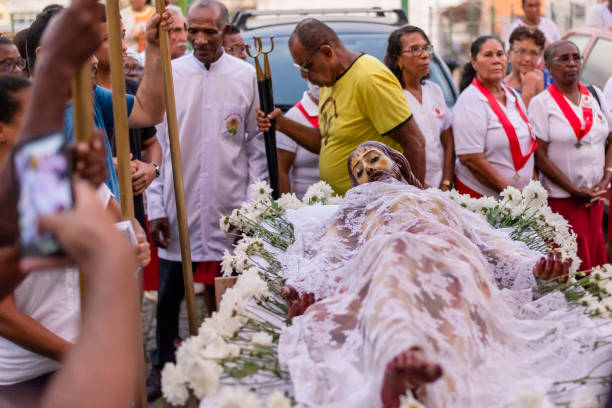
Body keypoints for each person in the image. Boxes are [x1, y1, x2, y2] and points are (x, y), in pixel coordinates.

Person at [277, 141, 573, 408]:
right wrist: (306, 285)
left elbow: (488, 242)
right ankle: (401, 358)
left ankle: (436, 378)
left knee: (457, 281)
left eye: (373, 158)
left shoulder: (438, 200)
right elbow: (330, 251)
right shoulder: (354, 208)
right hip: (388, 255)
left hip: (450, 255)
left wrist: (532, 267)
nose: (367, 168)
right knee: (396, 257)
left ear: (397, 163)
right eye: (359, 170)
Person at [0, 1, 142, 406]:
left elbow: (55, 252)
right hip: (25, 377)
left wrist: (124, 242)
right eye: (29, 121)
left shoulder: (49, 172)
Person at [145, 0, 267, 400]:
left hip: (228, 204)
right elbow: (158, 145)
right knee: (169, 297)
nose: (198, 39)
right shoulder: (171, 73)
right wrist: (158, 207)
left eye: (209, 32)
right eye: (191, 31)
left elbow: (254, 146)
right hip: (179, 201)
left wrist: (252, 208)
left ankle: (225, 363)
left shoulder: (245, 76)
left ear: (225, 31)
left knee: (227, 292)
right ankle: (162, 364)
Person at [257, 18, 426, 195]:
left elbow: (415, 144)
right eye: (299, 67)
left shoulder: (369, 79)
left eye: (307, 66)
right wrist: (282, 124)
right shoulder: (330, 81)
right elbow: (328, 141)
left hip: (375, 207)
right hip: (345, 207)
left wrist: (411, 203)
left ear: (327, 52)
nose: (303, 75)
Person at [26, 5, 169, 199]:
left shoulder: (91, 96)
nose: (94, 61)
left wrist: (154, 46)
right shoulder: (26, 119)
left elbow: (149, 112)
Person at [530, 41, 612, 271]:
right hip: (563, 201)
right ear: (548, 67)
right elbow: (540, 156)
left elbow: (610, 139)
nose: (572, 63)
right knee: (569, 265)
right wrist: (573, 190)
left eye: (576, 57)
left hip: (594, 199)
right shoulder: (541, 104)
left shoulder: (594, 95)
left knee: (594, 262)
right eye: (563, 59)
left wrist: (606, 177)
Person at [93, 5, 162, 230]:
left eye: (122, 36)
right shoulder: (73, 101)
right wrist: (105, 165)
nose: (123, 47)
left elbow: (152, 128)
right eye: (108, 39)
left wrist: (152, 168)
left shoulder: (131, 92)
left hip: (132, 210)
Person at [454, 36, 537, 198]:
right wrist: (509, 192)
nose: (496, 60)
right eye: (488, 55)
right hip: (483, 198)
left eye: (500, 54)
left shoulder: (512, 94)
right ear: (474, 63)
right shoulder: (470, 100)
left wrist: (531, 187)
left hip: (516, 200)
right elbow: (471, 159)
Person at [384, 25, 454, 190]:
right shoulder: (392, 96)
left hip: (443, 188)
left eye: (426, 48)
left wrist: (446, 182)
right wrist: (417, 186)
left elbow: (448, 139)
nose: (424, 55)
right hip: (409, 190)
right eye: (415, 49)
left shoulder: (435, 90)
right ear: (397, 59)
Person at [276, 72, 320, 198]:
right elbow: (281, 171)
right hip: (307, 208)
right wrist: (288, 211)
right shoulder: (292, 117)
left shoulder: (346, 110)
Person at [504, 26, 550, 107]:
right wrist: (528, 92)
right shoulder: (502, 90)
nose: (527, 58)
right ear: (509, 54)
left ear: (539, 56)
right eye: (521, 51)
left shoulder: (551, 79)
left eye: (533, 53)